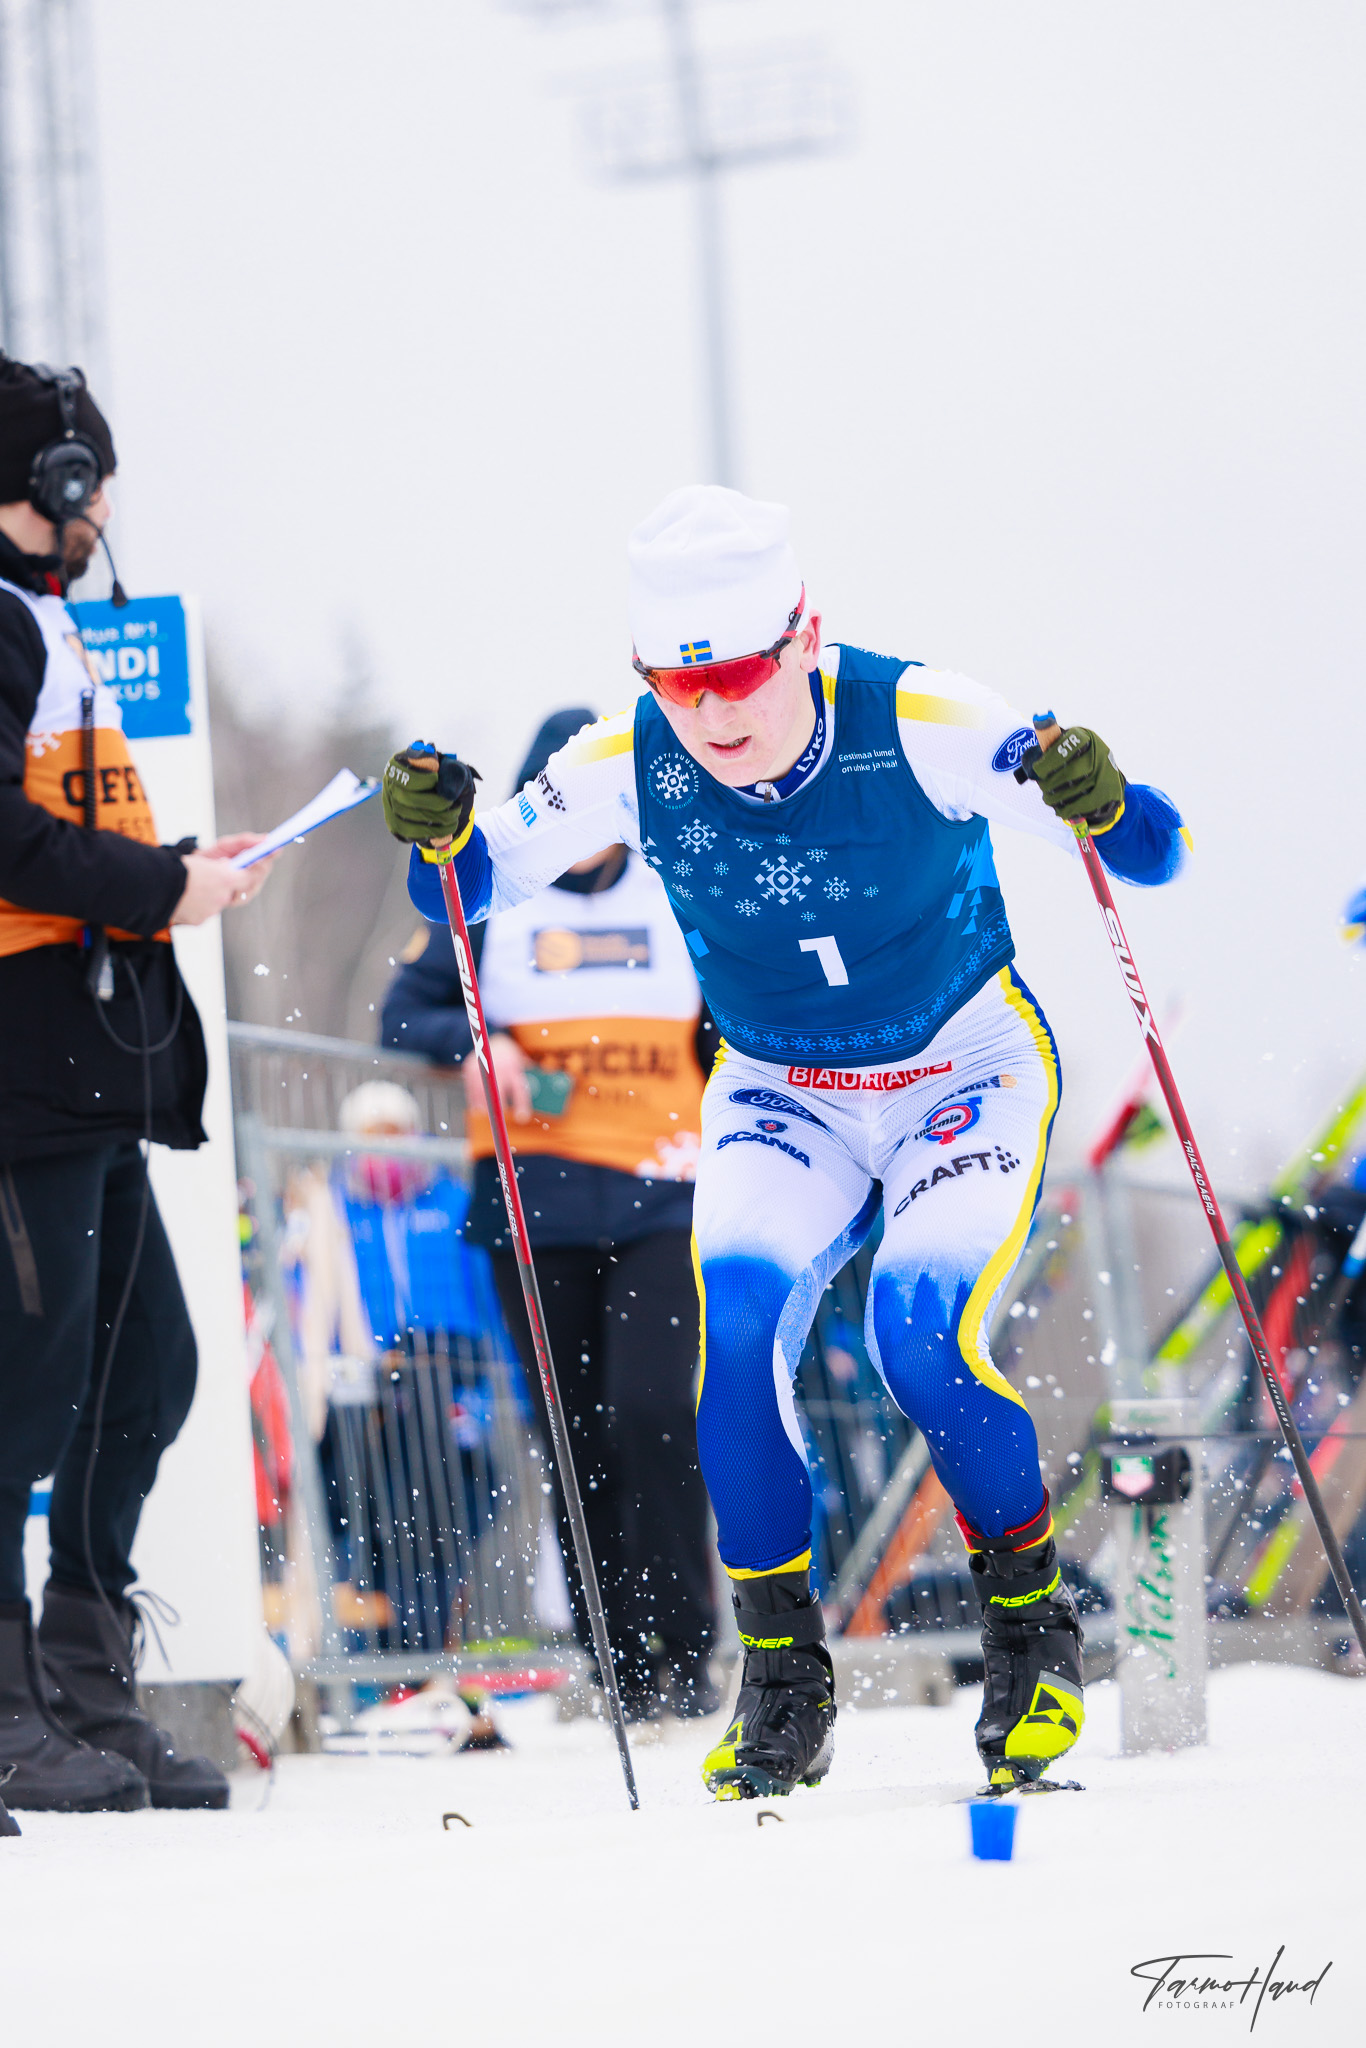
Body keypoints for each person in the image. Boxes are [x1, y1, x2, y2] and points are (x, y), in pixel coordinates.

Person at [380, 485, 1187, 1799]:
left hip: (959, 1070)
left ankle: (1029, 1626)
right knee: (739, 1339)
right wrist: (443, 832)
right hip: (782, 1090)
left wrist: (1109, 797)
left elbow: (1150, 857)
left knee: (918, 1337)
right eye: (676, 684)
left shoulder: (921, 717)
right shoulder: (622, 756)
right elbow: (461, 892)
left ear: (804, 637)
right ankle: (780, 1680)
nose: (711, 716)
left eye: (740, 676)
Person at [0, 354, 273, 1812]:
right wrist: (161, 888)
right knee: (22, 1395)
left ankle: (85, 1675)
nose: (104, 505)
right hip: (19, 1076)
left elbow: (60, 828)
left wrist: (175, 872)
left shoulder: (44, 621)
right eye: (89, 478)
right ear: (45, 483)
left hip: (80, 1074)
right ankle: (9, 1712)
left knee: (146, 1370)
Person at [381, 710, 718, 1718]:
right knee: (575, 1438)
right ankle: (617, 1657)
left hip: (663, 1195)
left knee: (652, 1412)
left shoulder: (677, 889)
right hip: (532, 1204)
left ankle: (686, 1643)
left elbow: (740, 1018)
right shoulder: (488, 902)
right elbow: (404, 1011)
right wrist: (481, 1046)